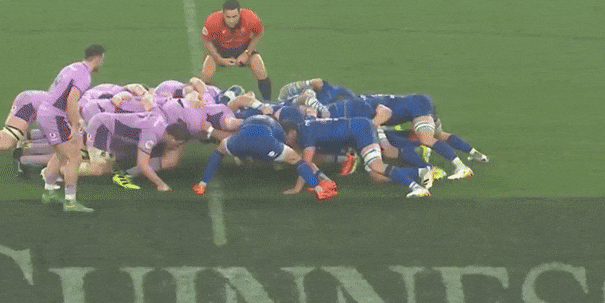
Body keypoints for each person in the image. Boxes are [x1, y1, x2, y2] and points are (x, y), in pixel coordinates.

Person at [279, 109, 436, 198]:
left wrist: (297, 188)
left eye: (286, 138)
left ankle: (416, 187)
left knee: (377, 165)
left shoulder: (306, 134)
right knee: (376, 175)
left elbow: (306, 163)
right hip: (358, 129)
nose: (287, 143)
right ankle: (422, 172)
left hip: (360, 131)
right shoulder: (306, 127)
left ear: (292, 132)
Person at [192, 114, 337, 200]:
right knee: (297, 160)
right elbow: (279, 145)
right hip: (267, 145)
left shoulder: (248, 119)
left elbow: (238, 130)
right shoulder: (277, 126)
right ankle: (319, 189)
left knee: (220, 149)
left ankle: (202, 185)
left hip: (239, 143)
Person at [37, 44, 105, 213]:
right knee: (75, 156)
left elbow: (53, 90)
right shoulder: (84, 76)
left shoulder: (71, 67)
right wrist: (77, 123)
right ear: (97, 58)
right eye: (102, 59)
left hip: (45, 112)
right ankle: (70, 202)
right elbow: (71, 101)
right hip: (54, 116)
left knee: (60, 153)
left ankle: (49, 192)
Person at [359, 93, 473, 180]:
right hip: (420, 102)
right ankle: (474, 154)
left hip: (417, 106)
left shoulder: (360, 110)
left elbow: (383, 116)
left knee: (382, 162)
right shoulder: (359, 103)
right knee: (436, 135)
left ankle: (429, 169)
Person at [83, 111, 191, 191]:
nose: (178, 147)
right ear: (172, 139)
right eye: (179, 144)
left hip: (108, 126)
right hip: (101, 127)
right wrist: (160, 184)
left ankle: (83, 155)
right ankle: (67, 171)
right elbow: (142, 164)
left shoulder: (162, 122)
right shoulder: (151, 135)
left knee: (109, 163)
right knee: (99, 169)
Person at [199, 0, 272, 100]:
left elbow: (258, 34)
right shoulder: (213, 21)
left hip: (243, 48)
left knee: (259, 68)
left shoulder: (251, 18)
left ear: (240, 13)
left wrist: (247, 53)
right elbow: (207, 41)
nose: (231, 20)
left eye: (234, 16)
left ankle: (268, 102)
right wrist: (219, 59)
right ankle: (199, 100)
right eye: (228, 17)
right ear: (223, 14)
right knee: (206, 74)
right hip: (220, 49)